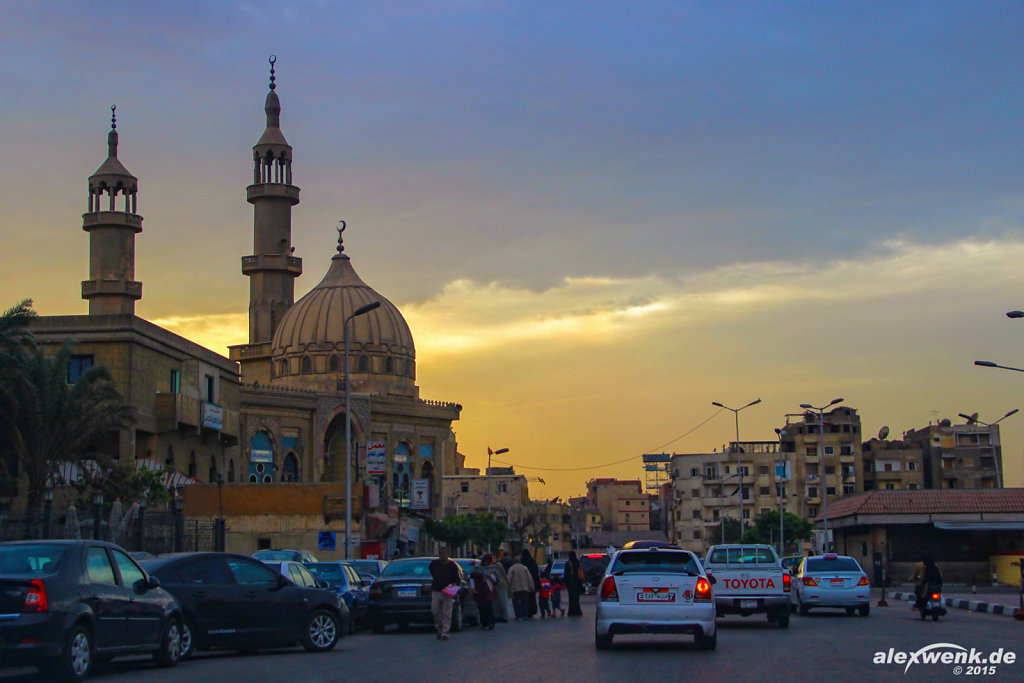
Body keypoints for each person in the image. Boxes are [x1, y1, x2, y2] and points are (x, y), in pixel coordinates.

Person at [429, 546, 461, 640]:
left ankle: (445, 631)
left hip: (447, 592)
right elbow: (432, 572)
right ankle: (439, 628)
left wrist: (453, 585)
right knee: (435, 611)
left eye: (444, 553)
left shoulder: (452, 565)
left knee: (447, 613)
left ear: (448, 554)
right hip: (436, 591)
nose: (442, 555)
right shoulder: (434, 564)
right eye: (441, 553)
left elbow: (457, 579)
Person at [470, 556, 497, 630]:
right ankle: (484, 623)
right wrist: (473, 588)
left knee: (489, 606)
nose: (486, 564)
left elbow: (496, 579)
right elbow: (472, 578)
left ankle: (491, 623)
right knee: (481, 607)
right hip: (479, 590)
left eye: (488, 563)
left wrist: (490, 576)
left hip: (488, 589)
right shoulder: (477, 568)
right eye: (485, 562)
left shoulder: (492, 568)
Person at [485, 553, 512, 622]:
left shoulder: (498, 566)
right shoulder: (491, 566)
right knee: (496, 602)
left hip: (501, 585)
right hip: (494, 586)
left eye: (494, 558)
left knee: (502, 602)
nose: (493, 559)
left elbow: (502, 576)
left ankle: (504, 617)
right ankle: (498, 616)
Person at [507, 555, 535, 620]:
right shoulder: (525, 568)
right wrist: (531, 587)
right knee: (525, 603)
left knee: (516, 603)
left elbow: (508, 579)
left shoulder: (512, 568)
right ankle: (524, 615)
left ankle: (518, 615)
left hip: (515, 589)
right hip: (525, 588)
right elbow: (529, 578)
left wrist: (508, 588)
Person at [521, 549, 541, 617]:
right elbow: (536, 574)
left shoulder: (522, 563)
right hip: (533, 583)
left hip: (524, 584)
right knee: (532, 598)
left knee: (525, 599)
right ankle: (532, 610)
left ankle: (526, 611)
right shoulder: (533, 562)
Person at [565, 551, 584, 616]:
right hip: (578, 583)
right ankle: (577, 611)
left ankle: (572, 611)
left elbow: (566, 574)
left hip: (571, 583)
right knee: (576, 598)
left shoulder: (568, 563)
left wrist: (565, 583)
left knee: (571, 598)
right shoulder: (578, 563)